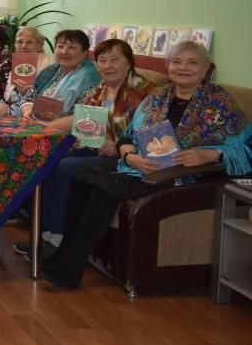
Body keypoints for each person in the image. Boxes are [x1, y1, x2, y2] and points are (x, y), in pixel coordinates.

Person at [42, 41, 251, 289]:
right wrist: (130, 156)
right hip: (140, 165)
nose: (183, 68)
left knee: (108, 185)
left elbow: (245, 147)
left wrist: (209, 155)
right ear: (168, 67)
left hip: (185, 175)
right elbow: (128, 137)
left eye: (192, 63)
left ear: (206, 69)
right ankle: (63, 254)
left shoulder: (219, 102)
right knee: (81, 173)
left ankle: (69, 267)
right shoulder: (158, 98)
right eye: (176, 62)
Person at [12, 38, 155, 259]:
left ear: (129, 62)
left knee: (63, 167)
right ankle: (47, 233)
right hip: (98, 148)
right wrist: (80, 138)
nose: (108, 65)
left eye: (115, 60)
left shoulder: (145, 92)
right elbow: (87, 126)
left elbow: (149, 135)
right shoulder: (99, 90)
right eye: (103, 60)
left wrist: (117, 147)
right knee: (48, 157)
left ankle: (57, 238)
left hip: (124, 156)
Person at [19, 29, 101, 124]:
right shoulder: (51, 70)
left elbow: (83, 115)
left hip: (67, 130)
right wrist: (28, 111)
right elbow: (29, 97)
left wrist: (49, 124)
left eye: (72, 47)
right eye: (60, 46)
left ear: (85, 52)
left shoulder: (90, 77)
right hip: (36, 123)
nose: (64, 52)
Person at [0, 26, 55, 116]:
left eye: (29, 42)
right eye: (20, 42)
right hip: (12, 105)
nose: (23, 46)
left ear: (39, 45)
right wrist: (4, 103)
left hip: (32, 108)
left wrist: (27, 92)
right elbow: (8, 95)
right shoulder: (18, 61)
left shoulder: (50, 66)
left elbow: (48, 99)